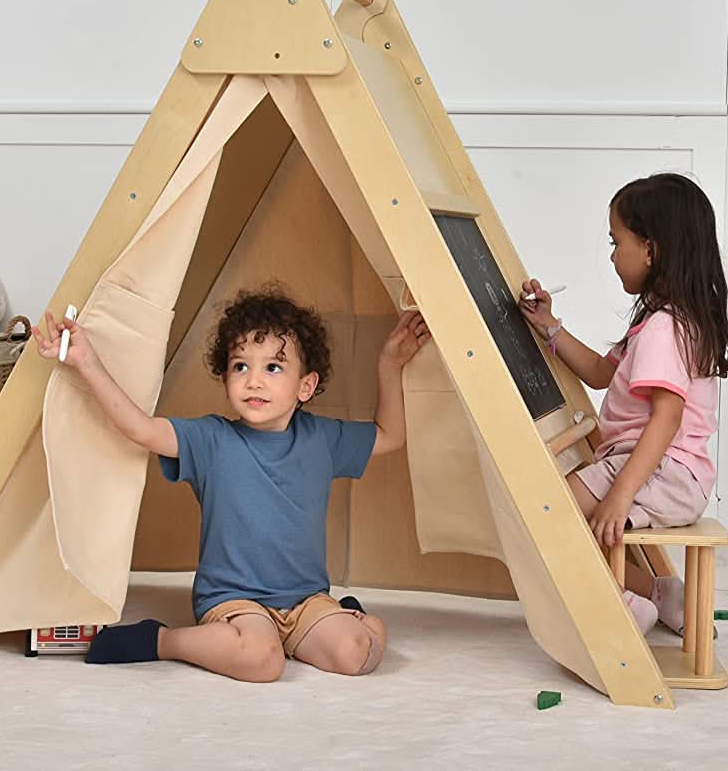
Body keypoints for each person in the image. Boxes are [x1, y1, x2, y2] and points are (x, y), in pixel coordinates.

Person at [32, 285, 430, 681]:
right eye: (241, 366)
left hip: (306, 600)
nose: (254, 381)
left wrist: (390, 366)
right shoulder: (211, 439)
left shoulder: (322, 439)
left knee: (356, 652)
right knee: (261, 661)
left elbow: (390, 435)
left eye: (272, 368)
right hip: (233, 600)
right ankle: (161, 640)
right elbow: (140, 428)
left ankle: (340, 615)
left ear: (305, 386)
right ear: (224, 376)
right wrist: (87, 362)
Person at [520, 173, 728, 635]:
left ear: (651, 250)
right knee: (557, 513)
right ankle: (659, 595)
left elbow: (667, 416)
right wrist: (549, 327)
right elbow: (602, 372)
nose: (613, 255)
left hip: (662, 470)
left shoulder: (663, 330)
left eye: (617, 242)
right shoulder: (663, 322)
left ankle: (621, 608)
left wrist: (619, 496)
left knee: (548, 511)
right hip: (667, 471)